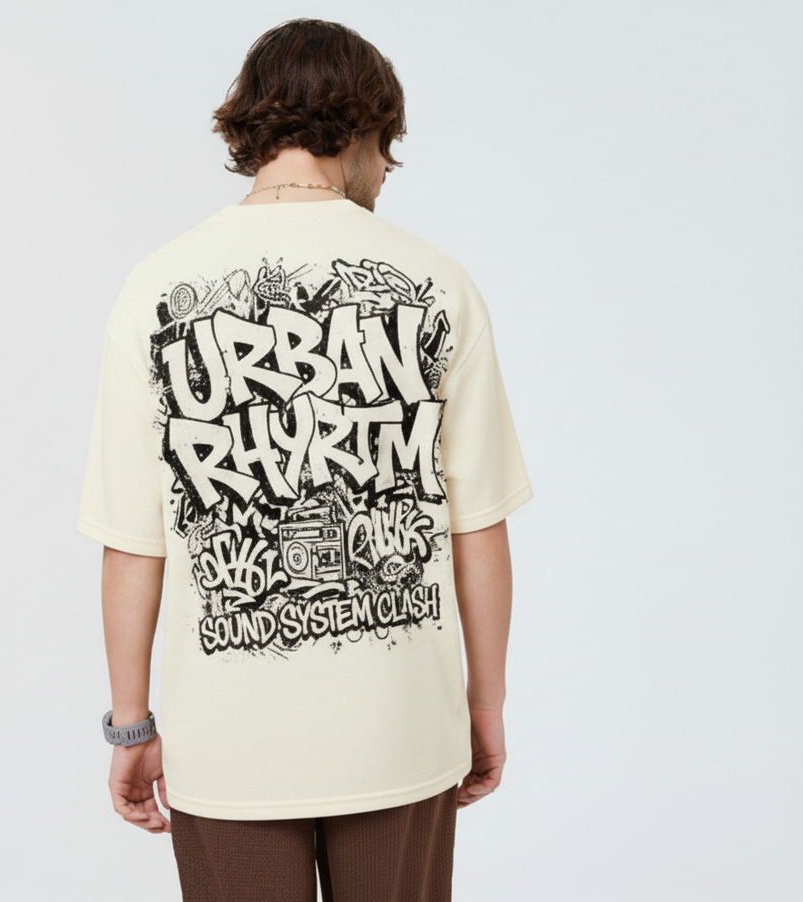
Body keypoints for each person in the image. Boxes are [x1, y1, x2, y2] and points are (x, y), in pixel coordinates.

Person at [78, 18, 532, 902]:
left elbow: (134, 540)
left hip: (226, 745)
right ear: (364, 128)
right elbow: (477, 526)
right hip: (401, 733)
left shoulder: (155, 288)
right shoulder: (437, 283)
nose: (386, 173)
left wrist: (131, 728)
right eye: (388, 149)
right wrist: (484, 706)